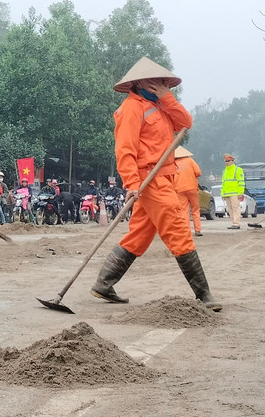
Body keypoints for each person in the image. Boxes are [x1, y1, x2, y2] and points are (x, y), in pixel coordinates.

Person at [90, 57, 221, 311]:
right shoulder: (131, 109)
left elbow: (186, 123)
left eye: (163, 82)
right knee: (179, 230)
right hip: (149, 182)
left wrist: (167, 98)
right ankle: (204, 295)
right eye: (155, 81)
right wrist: (131, 183)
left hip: (164, 178)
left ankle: (104, 284)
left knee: (139, 235)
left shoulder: (161, 106)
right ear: (139, 82)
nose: (161, 85)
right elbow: (125, 151)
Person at [174, 146, 204, 237]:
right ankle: (197, 230)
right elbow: (198, 172)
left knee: (183, 210)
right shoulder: (190, 161)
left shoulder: (173, 163)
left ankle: (185, 231)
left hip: (179, 189)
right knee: (195, 209)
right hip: (192, 188)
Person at [220, 153, 246, 230]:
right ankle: (233, 222)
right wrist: (223, 193)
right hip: (227, 193)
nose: (227, 162)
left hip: (235, 193)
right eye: (225, 161)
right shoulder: (225, 171)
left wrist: (240, 192)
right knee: (230, 209)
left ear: (232, 161)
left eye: (228, 161)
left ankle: (236, 223)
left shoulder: (238, 170)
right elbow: (223, 183)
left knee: (236, 208)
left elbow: (241, 182)